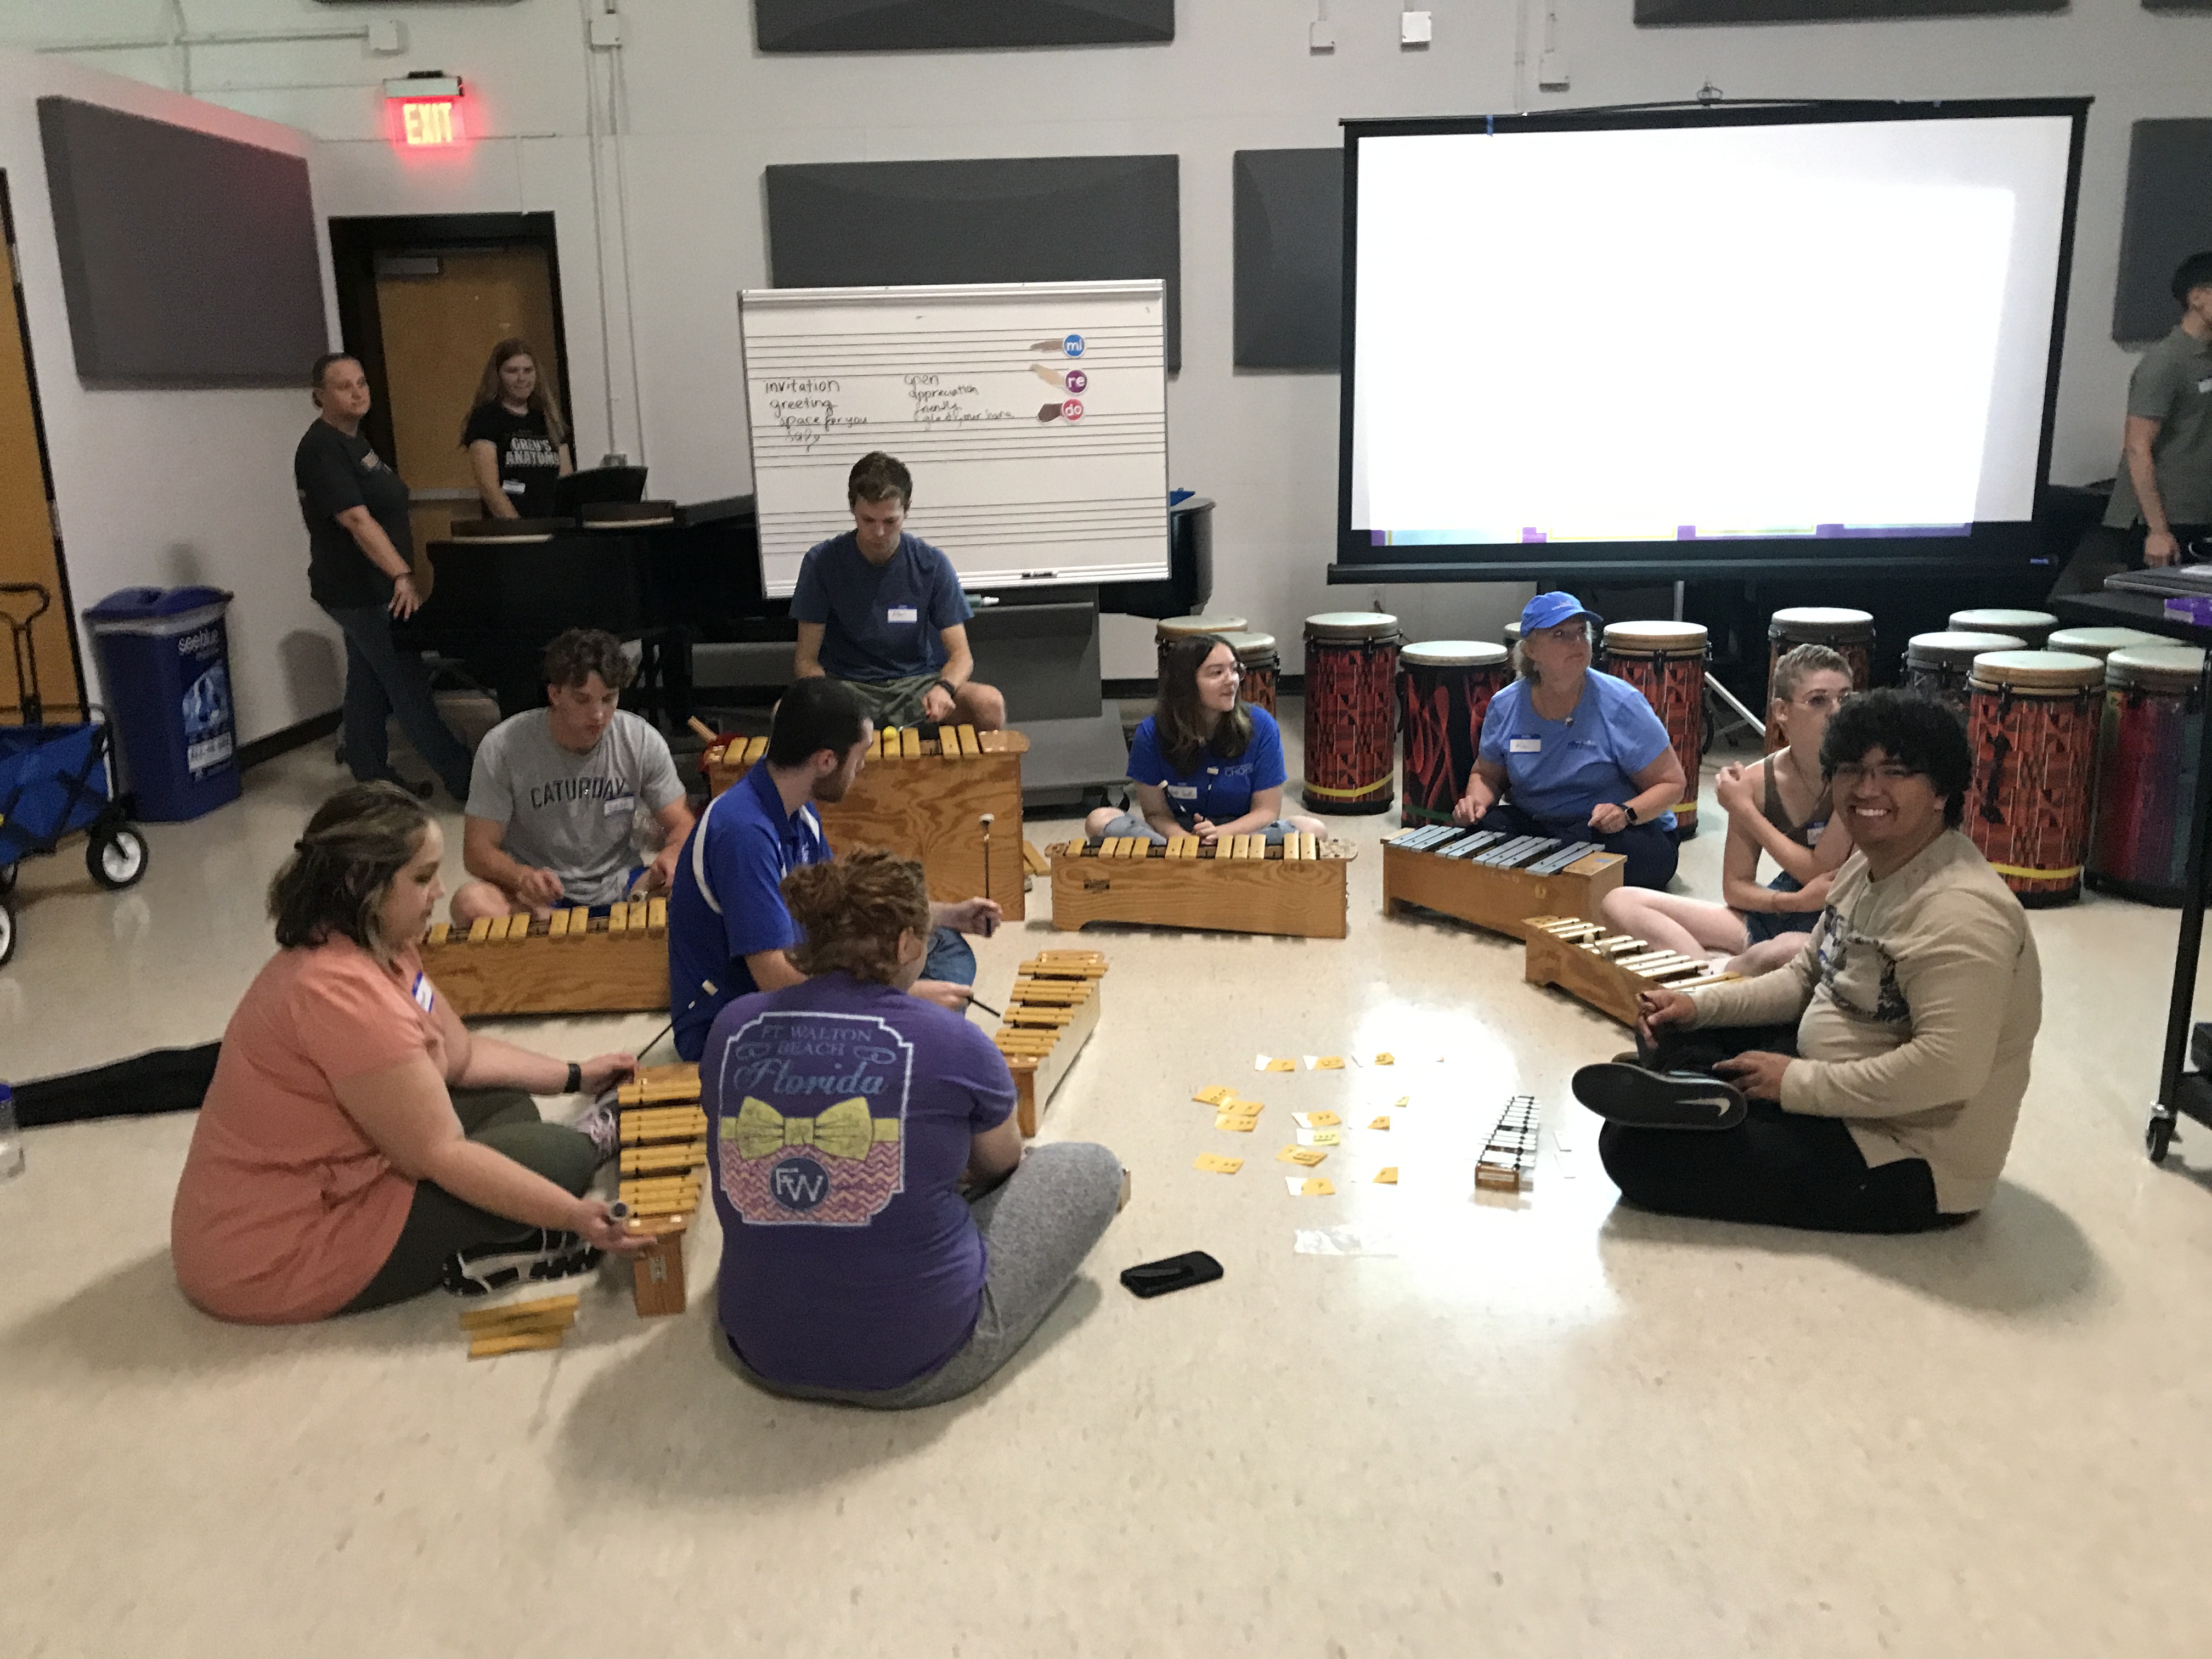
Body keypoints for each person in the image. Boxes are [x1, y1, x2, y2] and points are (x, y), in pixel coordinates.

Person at [170, 783, 649, 1323]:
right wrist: (576, 1215)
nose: (440, 891)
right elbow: (442, 1154)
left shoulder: (382, 944)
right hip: (275, 1251)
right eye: (422, 878)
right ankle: (567, 1167)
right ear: (363, 885)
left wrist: (576, 1074)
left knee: (506, 1102)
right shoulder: (340, 996)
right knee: (560, 1158)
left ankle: (508, 1203)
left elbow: (461, 1057)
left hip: (340, 1170)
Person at [1570, 690, 2042, 1234]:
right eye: (1852, 770)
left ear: (1941, 791)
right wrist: (1698, 1006)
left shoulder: (1963, 914)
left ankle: (1693, 1091)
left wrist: (1795, 1083)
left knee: (1631, 1151)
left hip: (1905, 1155)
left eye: (1894, 772)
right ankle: (1693, 1083)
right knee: (1676, 1028)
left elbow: (1947, 1071)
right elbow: (1805, 977)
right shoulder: (1868, 864)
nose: (1867, 789)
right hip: (1840, 1085)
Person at [706, 847, 1122, 1408]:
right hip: (916, 1362)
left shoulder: (731, 1024)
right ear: (906, 945)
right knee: (1093, 1169)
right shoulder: (955, 1039)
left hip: (760, 1347)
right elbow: (1001, 1167)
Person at [665, 678, 1000, 1061]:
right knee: (926, 987)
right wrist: (900, 996)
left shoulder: (798, 807)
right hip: (736, 1022)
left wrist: (949, 914)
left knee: (940, 943)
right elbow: (774, 978)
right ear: (826, 761)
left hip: (802, 978)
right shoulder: (743, 834)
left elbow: (842, 905)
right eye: (859, 756)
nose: (861, 767)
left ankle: (914, 1027)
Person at [1598, 644, 1856, 975]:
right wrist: (1792, 902)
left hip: (1838, 919)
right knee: (1619, 902)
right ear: (1782, 711)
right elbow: (1735, 888)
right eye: (1819, 700)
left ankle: (1721, 975)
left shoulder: (1858, 774)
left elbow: (1819, 871)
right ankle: (1711, 977)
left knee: (1786, 950)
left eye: (1845, 699)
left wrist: (1744, 810)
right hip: (1785, 906)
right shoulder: (1755, 782)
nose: (1837, 711)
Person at [296, 352, 475, 802]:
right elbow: (356, 520)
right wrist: (401, 574)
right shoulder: (322, 448)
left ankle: (370, 774)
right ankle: (466, 779)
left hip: (371, 589)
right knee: (407, 684)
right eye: (344, 386)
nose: (357, 392)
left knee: (368, 683)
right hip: (361, 590)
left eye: (362, 383)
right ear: (319, 396)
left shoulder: (357, 443)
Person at [447, 628, 695, 924]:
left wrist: (673, 854)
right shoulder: (503, 747)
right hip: (540, 896)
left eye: (609, 699)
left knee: (701, 888)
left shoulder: (641, 739)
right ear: (555, 695)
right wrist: (522, 877)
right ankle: (552, 926)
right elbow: (477, 851)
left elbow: (682, 823)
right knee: (470, 903)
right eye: (583, 700)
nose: (599, 715)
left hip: (623, 886)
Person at [1452, 591, 1688, 890]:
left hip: (1610, 830)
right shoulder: (1505, 704)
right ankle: (1554, 881)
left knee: (1640, 857)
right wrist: (1475, 803)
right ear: (1531, 650)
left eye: (1581, 632)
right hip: (1540, 824)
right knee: (1478, 833)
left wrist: (1625, 813)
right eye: (1561, 634)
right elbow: (1487, 774)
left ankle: (1543, 882)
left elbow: (1672, 784)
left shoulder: (1622, 703)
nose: (1577, 642)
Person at [791, 452, 1006, 732]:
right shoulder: (821, 563)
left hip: (918, 687)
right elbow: (806, 660)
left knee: (989, 703)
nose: (879, 533)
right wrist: (826, 701)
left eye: (890, 521)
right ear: (852, 508)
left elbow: (961, 656)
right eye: (868, 520)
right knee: (786, 715)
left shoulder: (932, 564)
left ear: (907, 509)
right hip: (848, 688)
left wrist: (944, 688)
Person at [2052, 250, 2212, 597]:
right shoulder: (2166, 362)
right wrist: (2158, 531)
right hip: (2166, 521)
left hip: (2200, 514)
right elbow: (2138, 447)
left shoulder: (2207, 359)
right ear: (2198, 297)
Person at [1085, 634, 1327, 846]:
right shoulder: (1151, 732)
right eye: (1217, 673)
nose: (1232, 680)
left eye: (1235, 670)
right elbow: (1156, 813)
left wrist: (1222, 834)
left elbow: (1267, 811)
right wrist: (1181, 838)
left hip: (1242, 834)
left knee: (1313, 829)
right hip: (1177, 835)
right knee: (1099, 819)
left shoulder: (1261, 725)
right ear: (1186, 683)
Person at [462, 337, 573, 521]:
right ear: (498, 375)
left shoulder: (548, 417)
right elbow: (490, 488)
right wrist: (520, 529)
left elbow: (566, 481)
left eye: (528, 370)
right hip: (510, 529)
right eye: (513, 371)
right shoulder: (486, 418)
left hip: (553, 526)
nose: (522, 378)